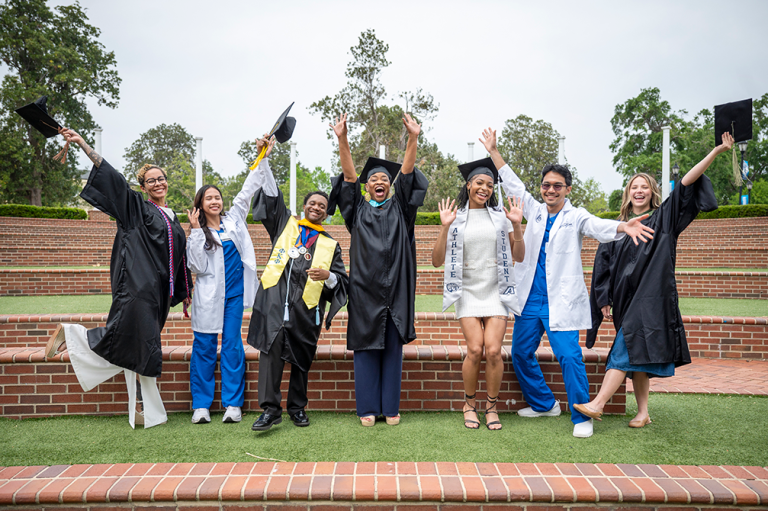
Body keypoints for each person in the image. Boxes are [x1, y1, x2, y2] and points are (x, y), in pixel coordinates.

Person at [478, 127, 654, 438]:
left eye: (557, 186)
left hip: (561, 300)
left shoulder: (576, 216)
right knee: (520, 352)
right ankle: (545, 403)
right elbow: (513, 183)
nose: (550, 190)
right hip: (532, 298)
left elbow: (597, 227)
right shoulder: (533, 209)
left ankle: (580, 415)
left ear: (567, 189)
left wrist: (623, 227)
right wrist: (494, 152)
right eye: (546, 185)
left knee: (569, 356)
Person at [575, 132, 735, 429]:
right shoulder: (617, 228)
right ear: (628, 193)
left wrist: (715, 151)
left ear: (652, 193)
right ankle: (643, 412)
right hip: (625, 299)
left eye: (644, 187)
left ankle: (597, 404)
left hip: (652, 296)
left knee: (625, 348)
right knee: (637, 354)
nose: (639, 191)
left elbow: (686, 183)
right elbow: (603, 267)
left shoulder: (664, 219)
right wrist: (603, 300)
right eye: (634, 187)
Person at [45, 128, 192, 429]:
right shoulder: (136, 206)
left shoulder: (173, 216)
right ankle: (74, 336)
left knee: (138, 346)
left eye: (161, 178)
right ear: (143, 186)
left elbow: (178, 254)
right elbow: (111, 178)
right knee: (140, 345)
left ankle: (140, 411)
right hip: (138, 286)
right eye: (151, 180)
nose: (158, 183)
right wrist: (84, 144)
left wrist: (185, 288)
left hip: (159, 291)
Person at [327, 112, 428, 426]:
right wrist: (342, 139)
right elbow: (347, 178)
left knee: (392, 350)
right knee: (366, 349)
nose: (380, 182)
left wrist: (413, 138)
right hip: (365, 290)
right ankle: (367, 408)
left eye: (385, 179)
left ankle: (391, 407)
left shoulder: (402, 210)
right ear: (367, 187)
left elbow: (408, 174)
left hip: (396, 288)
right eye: (374, 180)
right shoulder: (356, 210)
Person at [248, 157, 349, 431]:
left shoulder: (330, 244)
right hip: (275, 304)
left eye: (322, 206)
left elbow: (342, 280)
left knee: (301, 358)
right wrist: (265, 159)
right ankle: (270, 410)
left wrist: (328, 277)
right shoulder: (286, 225)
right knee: (270, 356)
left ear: (327, 213)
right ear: (305, 206)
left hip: (305, 309)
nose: (316, 208)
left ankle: (297, 408)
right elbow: (271, 193)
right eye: (313, 203)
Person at [185, 135, 276, 424]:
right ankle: (201, 405)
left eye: (217, 197)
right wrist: (196, 230)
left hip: (234, 295)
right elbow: (196, 267)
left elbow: (249, 188)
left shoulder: (234, 218)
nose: (215, 201)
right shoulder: (197, 234)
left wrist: (263, 155)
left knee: (233, 344)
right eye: (208, 198)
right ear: (200, 204)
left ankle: (233, 404)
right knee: (204, 345)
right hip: (209, 295)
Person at [431, 158, 525, 430]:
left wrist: (517, 225)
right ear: (469, 184)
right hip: (468, 289)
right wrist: (444, 226)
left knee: (494, 351)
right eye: (480, 183)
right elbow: (437, 261)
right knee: (475, 349)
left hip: (496, 288)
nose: (485, 188)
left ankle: (491, 406)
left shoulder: (501, 218)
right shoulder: (456, 218)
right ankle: (469, 403)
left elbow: (518, 256)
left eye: (490, 185)